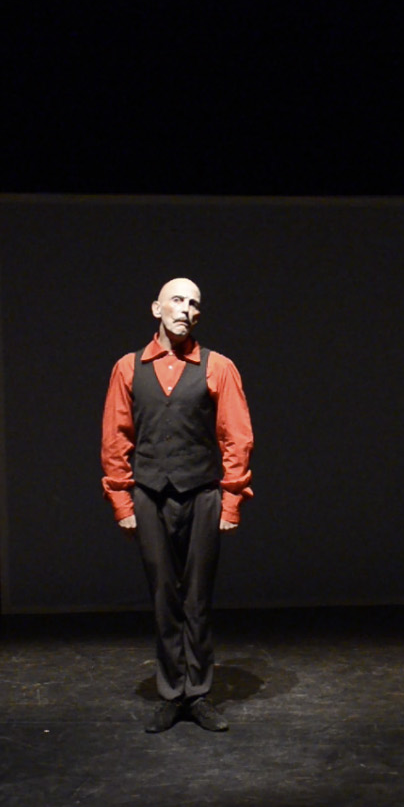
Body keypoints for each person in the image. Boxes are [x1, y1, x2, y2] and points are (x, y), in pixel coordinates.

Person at [101, 277, 254, 733]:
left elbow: (237, 437)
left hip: (202, 493)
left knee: (198, 597)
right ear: (157, 309)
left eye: (194, 303)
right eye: (178, 300)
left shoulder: (218, 367)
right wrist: (121, 500)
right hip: (149, 494)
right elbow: (116, 439)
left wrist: (231, 501)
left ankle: (198, 693)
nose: (187, 309)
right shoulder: (128, 368)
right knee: (163, 595)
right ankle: (172, 692)